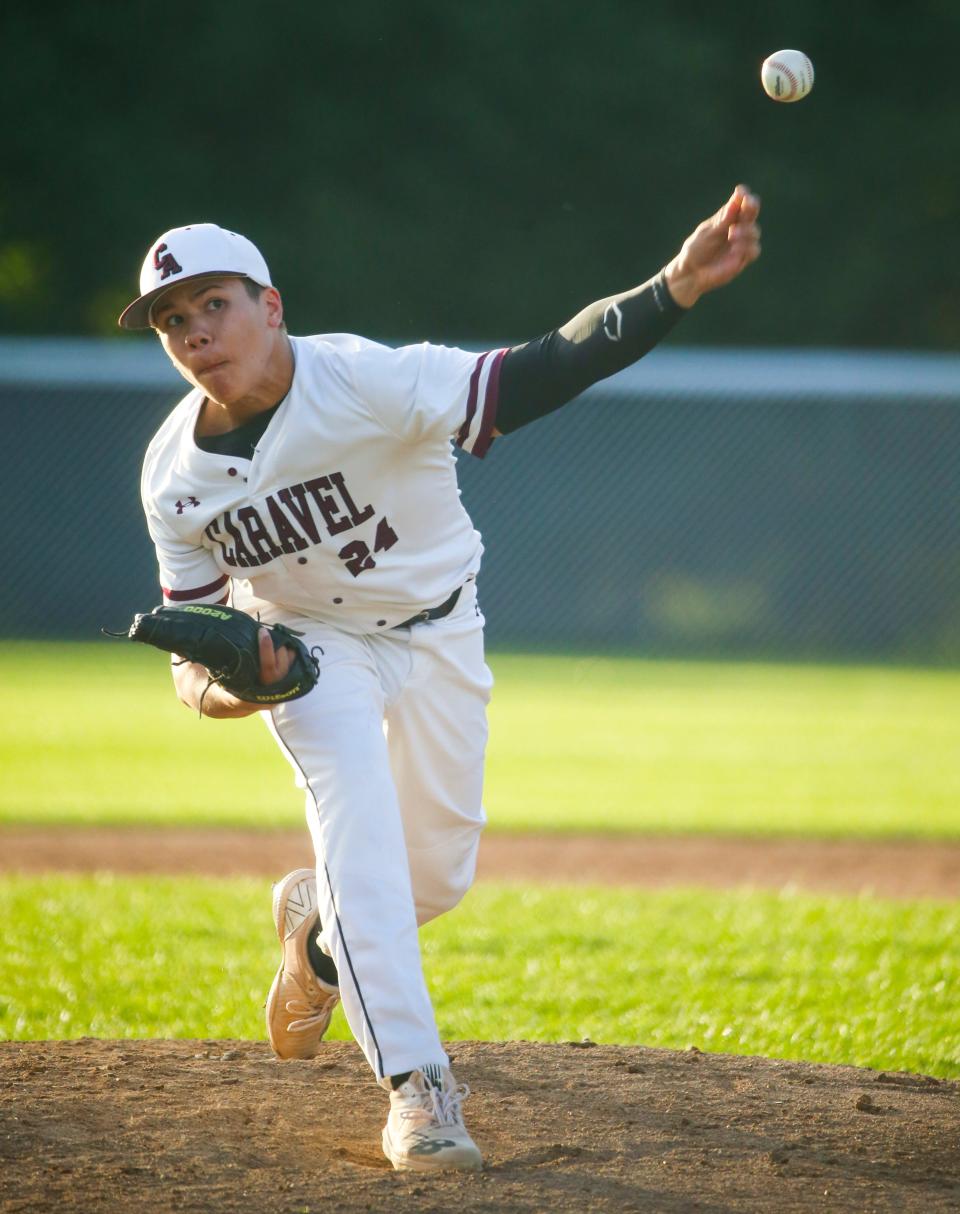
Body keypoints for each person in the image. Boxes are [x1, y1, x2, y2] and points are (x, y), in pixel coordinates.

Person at [121, 186, 761, 1172]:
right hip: (312, 651)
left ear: (271, 306)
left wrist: (676, 286)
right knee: (361, 838)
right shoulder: (174, 477)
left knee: (437, 873)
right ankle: (418, 1088)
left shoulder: (368, 380)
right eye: (172, 317)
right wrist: (246, 685)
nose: (194, 330)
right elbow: (190, 663)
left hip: (442, 627)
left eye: (215, 303)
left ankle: (322, 939)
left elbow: (540, 369)